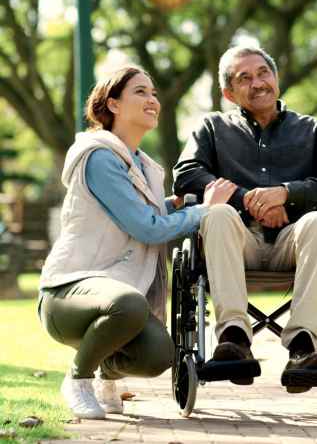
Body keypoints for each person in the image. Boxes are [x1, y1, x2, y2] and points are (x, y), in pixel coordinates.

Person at [38, 66, 236, 419]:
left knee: (159, 354)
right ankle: (77, 378)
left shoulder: (145, 167)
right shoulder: (99, 157)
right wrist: (205, 211)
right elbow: (147, 229)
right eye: (140, 92)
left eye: (154, 93)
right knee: (128, 304)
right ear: (112, 104)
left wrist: (170, 206)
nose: (152, 100)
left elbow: (131, 216)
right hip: (68, 293)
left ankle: (104, 374)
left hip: (116, 296)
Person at [173, 45, 317, 392]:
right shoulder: (212, 128)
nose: (257, 82)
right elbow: (186, 175)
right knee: (215, 214)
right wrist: (248, 200)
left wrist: (287, 194)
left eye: (263, 72)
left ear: (276, 79)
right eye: (244, 78)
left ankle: (304, 347)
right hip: (236, 241)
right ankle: (233, 338)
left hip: (295, 242)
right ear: (228, 93)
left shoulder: (314, 130)